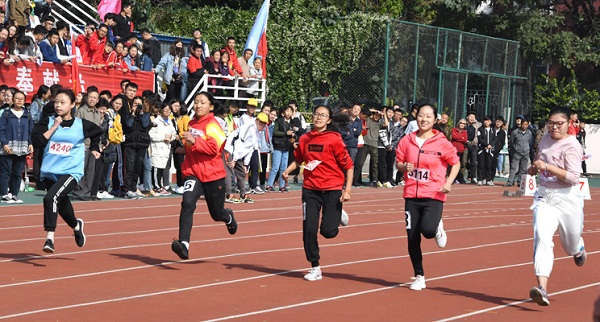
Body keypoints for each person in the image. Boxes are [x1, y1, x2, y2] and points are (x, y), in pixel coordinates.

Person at [282, 105, 353, 281]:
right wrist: (287, 170)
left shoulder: (334, 140)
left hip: (332, 189)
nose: (319, 118)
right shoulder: (305, 138)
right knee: (309, 229)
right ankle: (315, 267)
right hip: (310, 189)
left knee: (328, 232)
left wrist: (348, 190)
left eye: (323, 115)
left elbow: (348, 166)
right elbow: (299, 159)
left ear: (329, 120)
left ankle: (337, 214)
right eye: (316, 114)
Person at [395, 102, 460, 291]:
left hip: (433, 194)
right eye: (421, 115)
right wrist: (403, 167)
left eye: (428, 116)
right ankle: (419, 275)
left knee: (428, 230)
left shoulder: (441, 142)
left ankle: (438, 227)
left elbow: (455, 163)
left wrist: (448, 183)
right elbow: (399, 161)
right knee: (412, 237)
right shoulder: (407, 140)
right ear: (416, 117)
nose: (424, 119)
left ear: (435, 119)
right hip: (411, 195)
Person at [527, 106, 586, 306]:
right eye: (550, 123)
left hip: (567, 199)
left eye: (559, 123)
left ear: (569, 123)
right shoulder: (544, 139)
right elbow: (538, 163)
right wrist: (534, 168)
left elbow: (572, 178)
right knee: (542, 238)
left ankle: (578, 247)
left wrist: (549, 167)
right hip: (545, 197)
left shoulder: (572, 146)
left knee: (569, 246)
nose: (554, 127)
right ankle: (542, 287)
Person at [31, 89, 103, 253]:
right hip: (50, 171)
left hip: (71, 171)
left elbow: (98, 132)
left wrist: (94, 147)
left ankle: (50, 238)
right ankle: (76, 226)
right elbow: (38, 142)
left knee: (50, 198)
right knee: (61, 203)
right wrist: (54, 126)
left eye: (63, 102)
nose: (58, 105)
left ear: (72, 105)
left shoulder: (80, 124)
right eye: (56, 102)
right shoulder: (46, 122)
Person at [171, 92, 238, 260]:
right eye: (196, 102)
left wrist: (194, 142)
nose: (198, 105)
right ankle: (184, 244)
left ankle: (227, 216)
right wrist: (184, 147)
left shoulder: (214, 125)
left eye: (202, 102)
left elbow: (214, 149)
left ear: (211, 107)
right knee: (187, 203)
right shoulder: (192, 122)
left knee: (216, 214)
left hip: (212, 175)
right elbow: (191, 144)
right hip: (193, 172)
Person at [0, 90, 33, 204]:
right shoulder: (6, 113)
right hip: (8, 147)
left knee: (17, 172)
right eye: (17, 98)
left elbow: (30, 131)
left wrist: (30, 143)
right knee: (5, 171)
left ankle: (14, 194)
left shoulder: (27, 115)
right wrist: (4, 143)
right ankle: (4, 194)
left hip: (22, 147)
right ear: (13, 100)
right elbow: (1, 130)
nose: (19, 100)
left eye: (22, 99)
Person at [504, 119, 532, 187]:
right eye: (523, 124)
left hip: (526, 152)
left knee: (523, 168)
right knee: (513, 167)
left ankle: (520, 181)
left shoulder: (529, 133)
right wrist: (515, 148)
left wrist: (527, 148)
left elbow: (530, 141)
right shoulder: (515, 132)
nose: (524, 126)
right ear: (521, 124)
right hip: (517, 152)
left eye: (526, 125)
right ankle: (510, 181)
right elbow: (512, 142)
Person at [476, 115, 496, 186]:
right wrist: (486, 145)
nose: (486, 122)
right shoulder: (480, 129)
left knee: (489, 164)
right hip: (482, 149)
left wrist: (490, 145)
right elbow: (480, 138)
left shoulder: (493, 130)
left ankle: (488, 179)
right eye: (485, 120)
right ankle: (480, 179)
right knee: (481, 164)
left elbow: (494, 139)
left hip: (490, 150)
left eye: (488, 121)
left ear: (490, 122)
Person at [451, 118, 468, 184]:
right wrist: (461, 138)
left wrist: (459, 138)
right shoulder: (454, 130)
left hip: (461, 150)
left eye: (464, 124)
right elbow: (454, 137)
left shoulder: (465, 132)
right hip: (454, 149)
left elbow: (465, 139)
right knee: (453, 164)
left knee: (461, 164)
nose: (462, 124)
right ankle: (452, 178)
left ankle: (460, 178)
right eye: (461, 123)